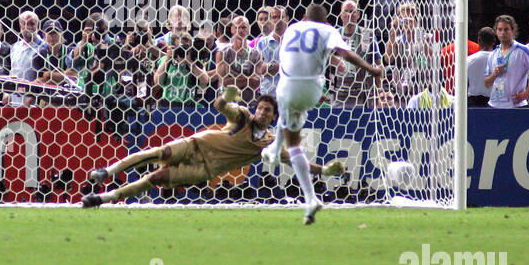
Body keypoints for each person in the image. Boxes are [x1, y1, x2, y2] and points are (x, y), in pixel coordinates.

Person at [82, 90, 344, 207]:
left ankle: (104, 199)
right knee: (156, 153)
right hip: (196, 144)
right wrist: (226, 97)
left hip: (204, 168)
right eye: (260, 108)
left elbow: (296, 162)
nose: (262, 112)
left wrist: (325, 170)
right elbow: (221, 106)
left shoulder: (269, 143)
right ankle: (108, 171)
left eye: (268, 111)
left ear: (274, 117)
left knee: (155, 179)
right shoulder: (242, 116)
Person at [259, 4, 381, 224]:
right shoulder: (329, 30)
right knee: (290, 117)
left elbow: (287, 61)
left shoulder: (293, 29)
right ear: (325, 20)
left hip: (288, 87)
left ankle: (310, 198)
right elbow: (345, 54)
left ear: (304, 18)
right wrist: (371, 69)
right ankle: (274, 150)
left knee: (293, 143)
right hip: (315, 88)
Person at [483, 14, 529, 108]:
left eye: (506, 29)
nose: (503, 32)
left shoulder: (523, 50)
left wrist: (525, 94)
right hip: (494, 104)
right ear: (496, 31)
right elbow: (487, 83)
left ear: (513, 31)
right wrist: (494, 74)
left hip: (515, 105)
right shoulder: (493, 54)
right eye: (500, 29)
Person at [466, 26, 496, 105]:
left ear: (479, 40)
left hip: (473, 101)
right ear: (494, 41)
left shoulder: (468, 60)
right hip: (495, 101)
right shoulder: (500, 60)